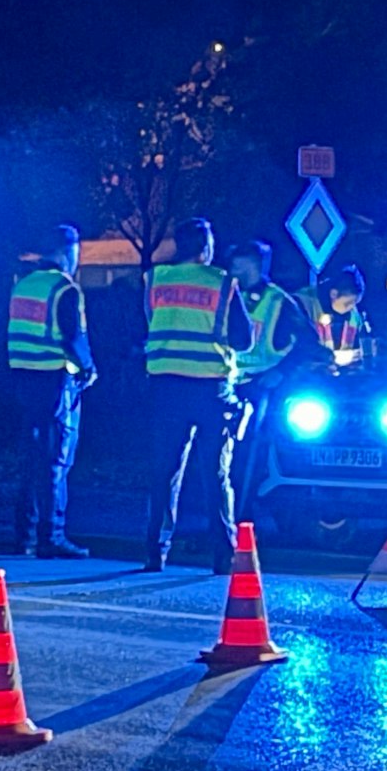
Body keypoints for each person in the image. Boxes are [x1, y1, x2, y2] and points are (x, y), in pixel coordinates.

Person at [142, 218, 254, 573]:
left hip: (165, 388)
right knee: (216, 473)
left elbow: (149, 323)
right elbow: (244, 339)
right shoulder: (222, 283)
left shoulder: (155, 280)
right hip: (210, 389)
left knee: (164, 471)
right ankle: (223, 556)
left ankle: (155, 553)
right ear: (206, 247)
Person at [5, 225, 97, 559]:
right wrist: (89, 368)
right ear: (64, 252)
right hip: (56, 382)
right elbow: (72, 338)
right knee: (57, 460)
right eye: (75, 252)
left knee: (32, 458)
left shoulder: (24, 285)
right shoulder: (64, 289)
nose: (77, 259)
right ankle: (52, 536)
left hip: (23, 380)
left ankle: (25, 535)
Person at [229, 239, 329, 517]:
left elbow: (309, 344)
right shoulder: (229, 294)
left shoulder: (279, 302)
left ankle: (244, 518)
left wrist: (280, 373)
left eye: (239, 262)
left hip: (262, 388)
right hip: (229, 384)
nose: (233, 267)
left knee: (251, 457)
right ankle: (227, 518)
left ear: (255, 265)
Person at [298, 264, 371, 367]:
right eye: (348, 303)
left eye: (355, 303)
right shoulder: (303, 304)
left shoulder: (353, 315)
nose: (351, 308)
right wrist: (326, 356)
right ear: (333, 294)